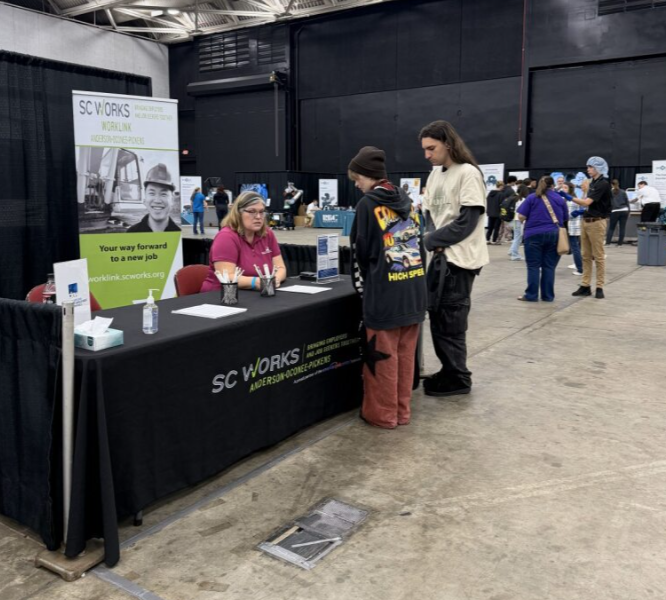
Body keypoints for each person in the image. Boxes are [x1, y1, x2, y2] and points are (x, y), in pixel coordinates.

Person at [348, 146, 427, 429]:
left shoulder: (367, 205)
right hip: (414, 294)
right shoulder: (407, 201)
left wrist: (364, 292)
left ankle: (382, 415)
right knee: (405, 358)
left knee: (381, 361)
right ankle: (402, 412)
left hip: (384, 297)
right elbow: (421, 248)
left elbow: (361, 254)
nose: (357, 186)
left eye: (357, 179)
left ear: (368, 176)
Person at [419, 120, 489, 397]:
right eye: (424, 149)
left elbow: (467, 221)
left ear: (448, 143)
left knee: (451, 321)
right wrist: (432, 238)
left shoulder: (468, 173)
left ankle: (459, 377)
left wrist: (431, 241)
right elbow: (429, 215)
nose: (427, 155)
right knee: (437, 316)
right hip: (440, 259)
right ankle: (449, 370)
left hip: (460, 262)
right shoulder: (435, 175)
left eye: (431, 148)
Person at [200, 191, 287, 293]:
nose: (258, 217)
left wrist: (275, 280)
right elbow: (228, 276)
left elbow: (281, 268)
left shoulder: (267, 234)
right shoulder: (226, 237)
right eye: (252, 211)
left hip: (254, 294)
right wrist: (256, 282)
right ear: (238, 213)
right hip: (221, 296)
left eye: (261, 212)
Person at [516, 176, 568, 302]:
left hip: (533, 234)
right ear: (552, 185)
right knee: (549, 266)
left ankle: (531, 295)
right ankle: (548, 296)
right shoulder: (559, 199)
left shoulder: (532, 197)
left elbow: (521, 216)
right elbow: (565, 218)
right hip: (554, 234)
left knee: (533, 266)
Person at [571, 156, 612, 299]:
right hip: (586, 221)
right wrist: (582, 211)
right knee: (585, 255)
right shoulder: (592, 183)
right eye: (588, 167)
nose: (588, 170)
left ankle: (599, 286)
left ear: (598, 168)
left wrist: (569, 197)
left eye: (590, 167)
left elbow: (587, 202)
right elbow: (590, 204)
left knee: (598, 256)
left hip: (596, 222)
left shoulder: (602, 184)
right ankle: (585, 285)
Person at [128, 163, 181, 232]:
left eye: (163, 194)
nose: (157, 200)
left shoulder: (180, 235)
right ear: (145, 199)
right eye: (152, 193)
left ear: (172, 200)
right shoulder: (131, 233)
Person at [564, 182, 583, 276]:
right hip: (576, 226)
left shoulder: (570, 201)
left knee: (575, 248)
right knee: (577, 247)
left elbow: (570, 215)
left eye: (565, 187)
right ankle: (578, 265)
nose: (563, 189)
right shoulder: (575, 199)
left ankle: (580, 268)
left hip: (572, 227)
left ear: (570, 189)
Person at [606, 179, 631, 245]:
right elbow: (627, 202)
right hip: (624, 210)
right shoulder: (623, 192)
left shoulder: (610, 192)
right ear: (618, 184)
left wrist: (607, 213)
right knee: (622, 228)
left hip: (615, 211)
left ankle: (608, 242)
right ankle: (620, 243)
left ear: (611, 185)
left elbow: (608, 204)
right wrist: (629, 211)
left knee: (611, 228)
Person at [508, 184, 528, 261]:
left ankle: (511, 250)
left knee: (516, 236)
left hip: (514, 219)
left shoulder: (515, 198)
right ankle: (514, 254)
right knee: (518, 237)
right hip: (518, 220)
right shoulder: (522, 200)